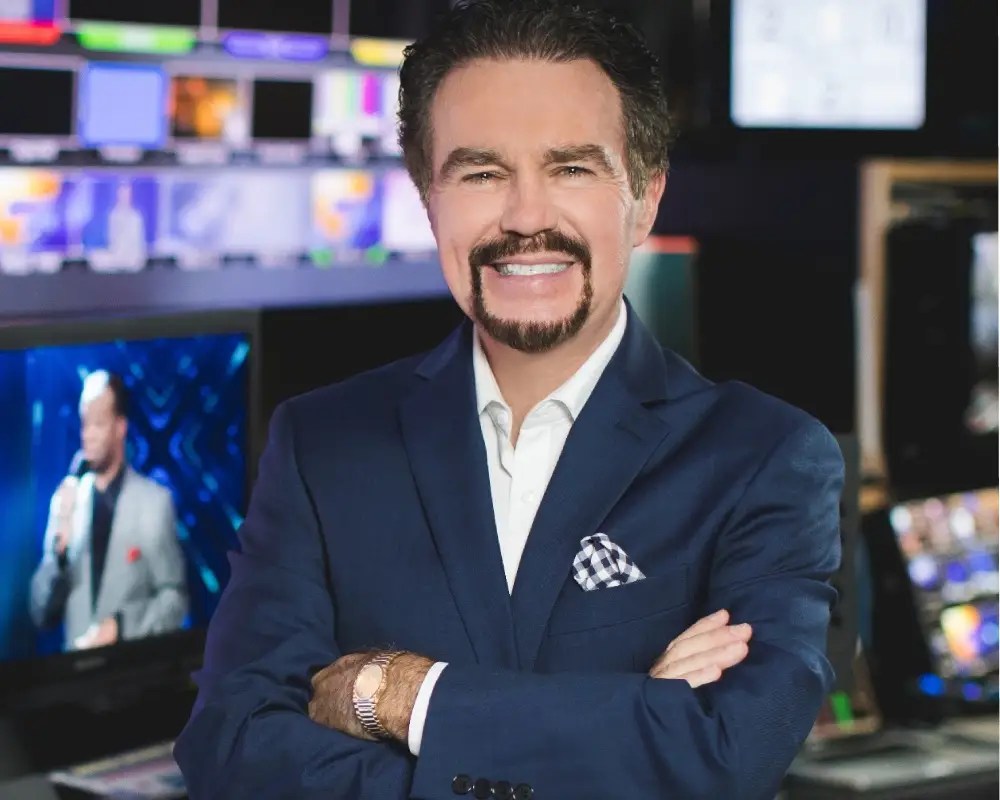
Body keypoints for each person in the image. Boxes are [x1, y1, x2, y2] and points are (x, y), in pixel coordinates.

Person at [175, 2, 844, 798]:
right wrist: (635, 718)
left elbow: (728, 755)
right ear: (429, 200)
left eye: (571, 169)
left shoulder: (763, 458)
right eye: (482, 173)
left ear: (645, 199)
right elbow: (233, 747)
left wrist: (404, 696)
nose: (527, 217)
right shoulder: (322, 445)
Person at [30, 370, 188, 651]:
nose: (88, 435)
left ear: (120, 427)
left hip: (132, 671)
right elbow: (41, 613)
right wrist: (59, 556)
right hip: (73, 672)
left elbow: (175, 599)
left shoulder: (155, 502)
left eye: (98, 423)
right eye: (84, 423)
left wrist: (124, 627)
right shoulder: (67, 501)